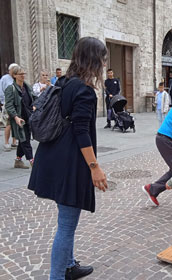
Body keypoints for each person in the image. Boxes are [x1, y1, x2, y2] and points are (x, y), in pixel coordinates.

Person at [28, 37, 108, 280]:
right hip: (69, 163)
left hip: (52, 157)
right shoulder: (84, 90)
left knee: (65, 219)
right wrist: (95, 167)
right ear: (94, 59)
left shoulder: (65, 82)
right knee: (66, 225)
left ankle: (69, 266)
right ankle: (57, 276)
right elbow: (81, 131)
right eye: (102, 58)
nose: (104, 64)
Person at [4, 65, 35, 169]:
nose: (23, 75)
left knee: (24, 139)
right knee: (24, 139)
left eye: (23, 73)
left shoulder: (27, 87)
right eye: (20, 74)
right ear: (14, 75)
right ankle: (32, 161)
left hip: (28, 117)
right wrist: (16, 117)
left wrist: (35, 105)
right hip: (18, 119)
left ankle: (18, 160)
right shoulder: (10, 88)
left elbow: (34, 98)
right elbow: (9, 105)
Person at [0, 63, 18, 151]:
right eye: (14, 69)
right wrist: (3, 101)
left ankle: (14, 142)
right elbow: (1, 90)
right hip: (8, 103)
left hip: (16, 104)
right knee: (8, 124)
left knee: (16, 123)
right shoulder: (4, 78)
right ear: (10, 70)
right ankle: (6, 143)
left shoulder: (16, 78)